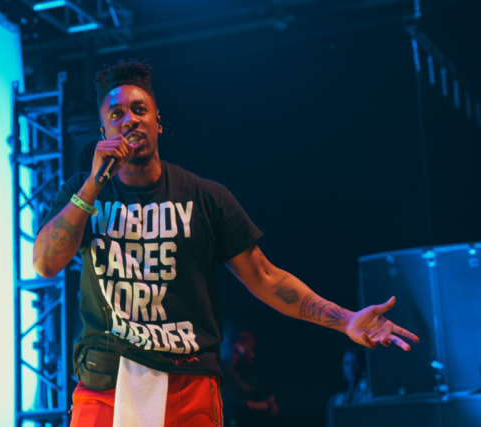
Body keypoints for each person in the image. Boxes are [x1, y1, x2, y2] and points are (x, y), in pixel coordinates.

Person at [32, 59, 420, 427]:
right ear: (103, 133)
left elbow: (266, 277)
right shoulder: (81, 193)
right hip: (107, 379)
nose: (129, 120)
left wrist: (345, 319)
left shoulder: (205, 198)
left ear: (158, 122)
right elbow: (45, 264)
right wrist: (93, 185)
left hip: (188, 381)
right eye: (116, 114)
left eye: (139, 110)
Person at [221, 330, 279, 427]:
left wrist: (270, 404)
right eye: (250, 350)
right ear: (237, 348)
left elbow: (268, 400)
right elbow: (228, 403)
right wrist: (260, 406)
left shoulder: (247, 373)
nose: (252, 355)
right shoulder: (221, 373)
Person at [325, 347, 372, 426]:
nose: (351, 368)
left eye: (355, 363)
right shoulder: (334, 400)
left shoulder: (368, 396)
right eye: (347, 363)